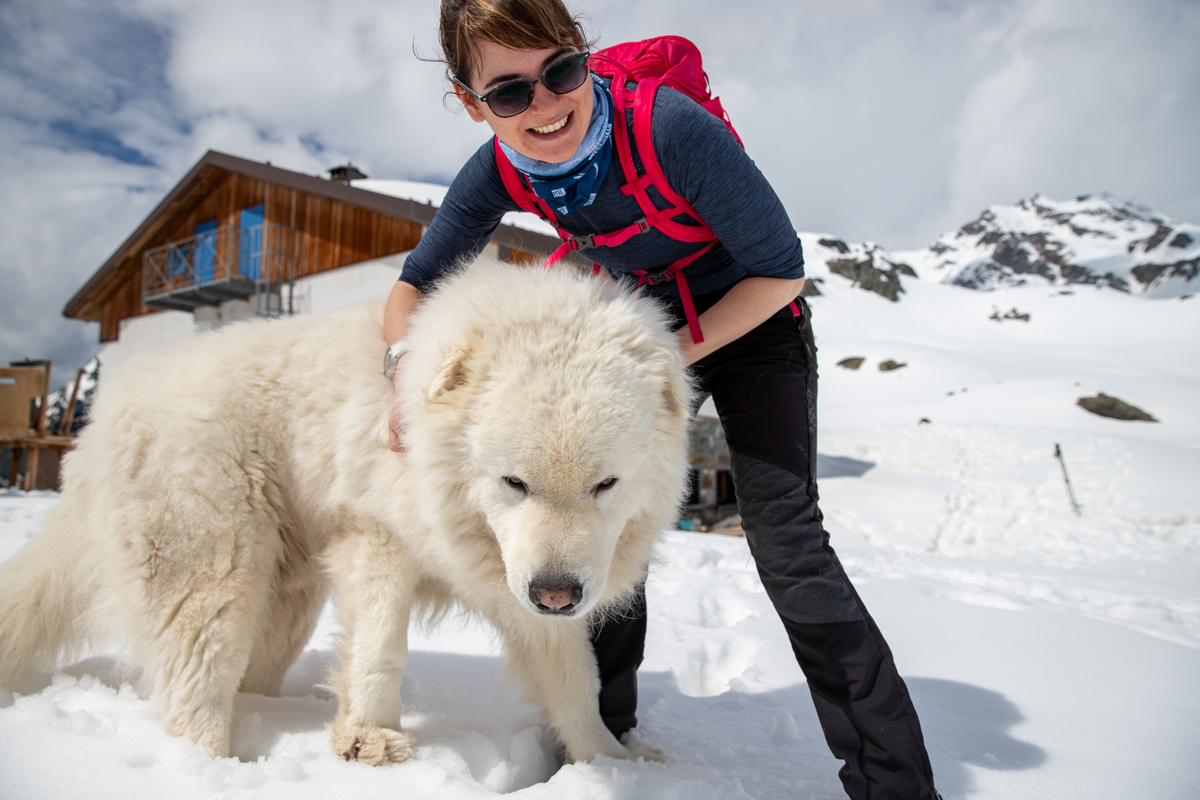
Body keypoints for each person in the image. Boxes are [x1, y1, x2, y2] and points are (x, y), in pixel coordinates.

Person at [383, 2, 940, 798]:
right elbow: (412, 289)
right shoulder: (497, 170)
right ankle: (603, 726)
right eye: (508, 94)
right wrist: (403, 373)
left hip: (747, 318)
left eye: (560, 73)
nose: (542, 106)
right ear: (473, 103)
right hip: (636, 323)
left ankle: (895, 785)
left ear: (582, 56)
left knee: (788, 543)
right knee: (600, 502)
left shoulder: (667, 130)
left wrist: (662, 356)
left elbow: (781, 269)